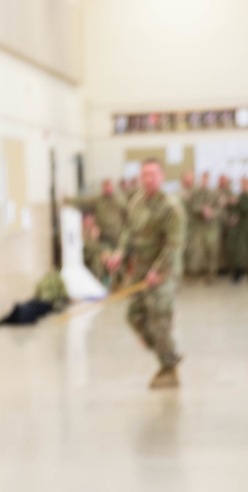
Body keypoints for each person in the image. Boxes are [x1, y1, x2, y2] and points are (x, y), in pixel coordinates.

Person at [106, 159, 185, 389]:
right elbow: (128, 232)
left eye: (152, 174)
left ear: (162, 177)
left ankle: (168, 368)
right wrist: (119, 253)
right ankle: (166, 351)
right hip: (140, 269)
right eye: (144, 175)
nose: (147, 179)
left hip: (164, 271)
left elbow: (174, 246)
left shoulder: (171, 207)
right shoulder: (136, 201)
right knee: (134, 316)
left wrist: (157, 271)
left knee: (159, 318)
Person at [64, 178, 126, 249]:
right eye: (106, 187)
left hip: (117, 235)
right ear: (103, 188)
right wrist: (67, 200)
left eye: (110, 187)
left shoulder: (119, 200)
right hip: (103, 236)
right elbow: (83, 201)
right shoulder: (98, 200)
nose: (108, 189)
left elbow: (125, 214)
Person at [184, 172, 221, 283]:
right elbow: (191, 207)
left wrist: (212, 212)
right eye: (203, 179)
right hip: (198, 226)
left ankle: (211, 273)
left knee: (211, 250)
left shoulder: (215, 194)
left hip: (211, 226)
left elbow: (220, 209)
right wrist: (202, 210)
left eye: (207, 179)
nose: (205, 181)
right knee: (195, 250)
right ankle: (193, 273)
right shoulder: (196, 193)